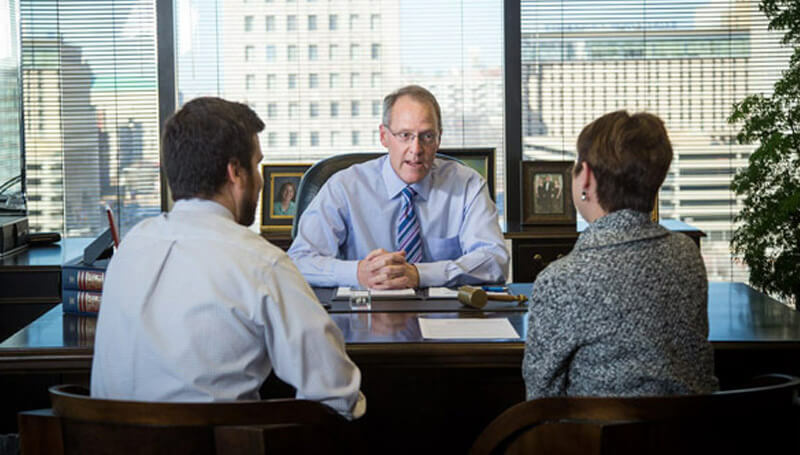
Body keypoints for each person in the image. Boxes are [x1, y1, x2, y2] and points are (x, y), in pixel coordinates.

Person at [91, 97, 366, 419]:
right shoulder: (261, 262)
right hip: (211, 441)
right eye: (257, 165)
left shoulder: (130, 248)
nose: (261, 182)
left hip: (102, 438)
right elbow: (336, 392)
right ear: (235, 172)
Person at [522, 110, 718, 399]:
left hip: (592, 429)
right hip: (691, 426)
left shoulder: (560, 279)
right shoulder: (686, 254)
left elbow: (541, 398)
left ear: (586, 177)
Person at [288, 85, 509, 289]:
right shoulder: (345, 187)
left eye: (427, 136)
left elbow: (495, 260)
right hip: (365, 310)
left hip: (447, 311)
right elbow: (300, 261)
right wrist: (357, 273)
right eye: (405, 135)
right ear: (384, 136)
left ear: (439, 139)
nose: (416, 149)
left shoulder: (467, 185)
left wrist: (420, 274)